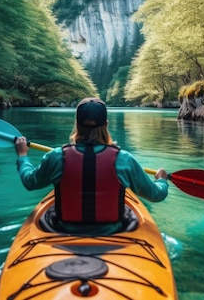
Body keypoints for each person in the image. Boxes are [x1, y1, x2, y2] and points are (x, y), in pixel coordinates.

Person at [14, 97, 169, 234]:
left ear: (77, 124)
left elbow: (30, 181)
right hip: (112, 230)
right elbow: (156, 195)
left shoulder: (56, 157)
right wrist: (161, 180)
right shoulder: (124, 160)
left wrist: (22, 156)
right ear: (106, 124)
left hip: (64, 229)